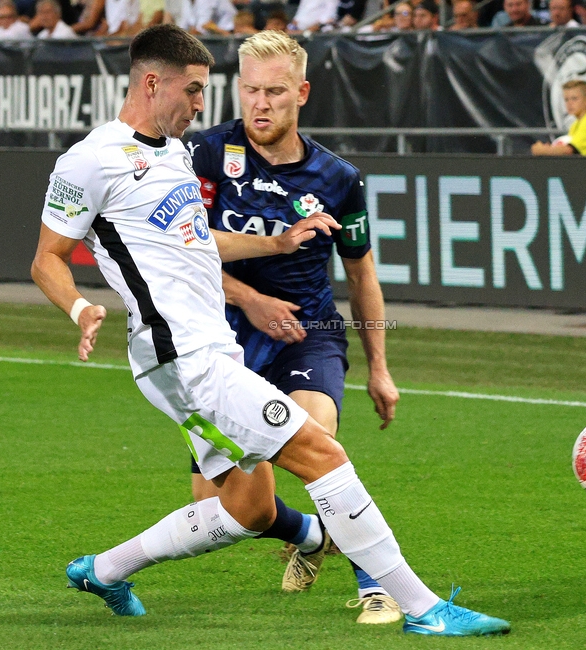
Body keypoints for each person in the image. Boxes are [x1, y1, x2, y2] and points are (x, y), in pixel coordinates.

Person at [31, 24, 511, 638]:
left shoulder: (175, 154)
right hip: (183, 356)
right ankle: (420, 607)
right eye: (196, 90)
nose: (204, 104)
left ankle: (104, 569)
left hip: (202, 351)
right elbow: (48, 256)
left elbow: (196, 243)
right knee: (322, 451)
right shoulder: (89, 160)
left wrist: (276, 242)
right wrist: (79, 308)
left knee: (248, 509)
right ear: (153, 83)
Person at [186, 29, 404, 626]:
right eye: (250, 90)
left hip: (309, 331)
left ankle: (378, 583)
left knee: (315, 432)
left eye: (275, 92)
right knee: (235, 513)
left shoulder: (339, 180)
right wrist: (250, 299)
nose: (260, 104)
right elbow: (181, 254)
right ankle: (312, 535)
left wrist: (380, 367)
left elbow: (362, 277)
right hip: (221, 337)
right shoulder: (206, 155)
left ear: (301, 93)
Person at [531, 79, 586, 157]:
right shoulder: (575, 125)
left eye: (574, 98)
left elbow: (569, 150)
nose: (570, 103)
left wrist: (544, 150)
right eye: (566, 99)